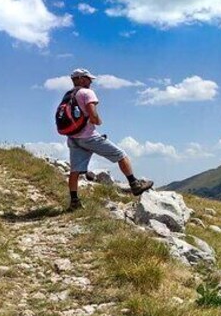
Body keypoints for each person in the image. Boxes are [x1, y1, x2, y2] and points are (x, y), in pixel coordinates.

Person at [62, 68, 153, 211]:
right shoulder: (87, 93)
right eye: (87, 78)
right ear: (80, 79)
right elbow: (93, 114)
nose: (90, 81)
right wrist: (97, 121)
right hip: (88, 136)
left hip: (73, 138)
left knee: (75, 171)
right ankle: (134, 185)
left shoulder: (68, 95)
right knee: (121, 155)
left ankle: (74, 202)